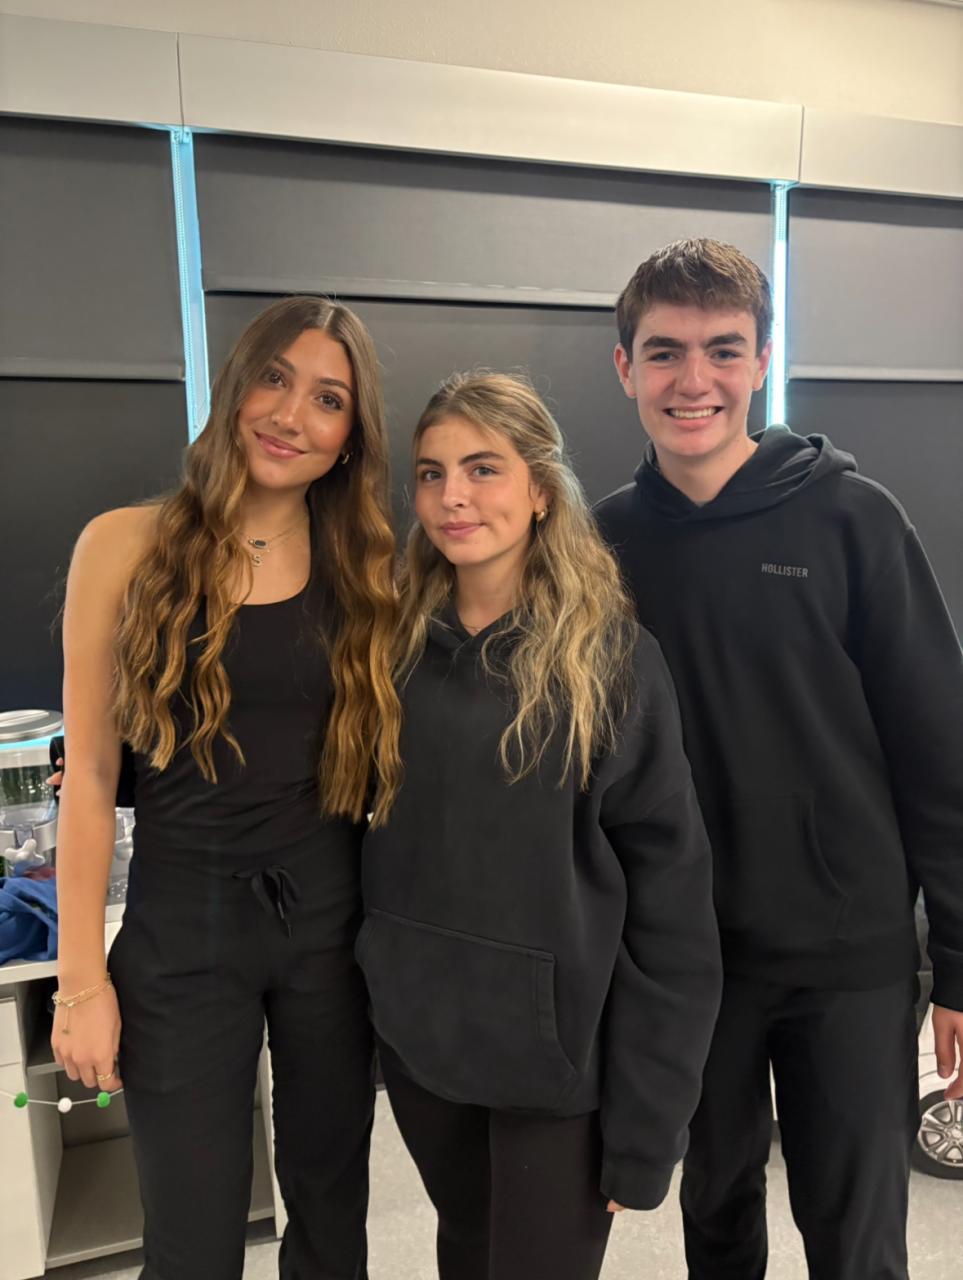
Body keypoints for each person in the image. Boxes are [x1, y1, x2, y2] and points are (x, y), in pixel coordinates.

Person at [595, 237, 963, 1280]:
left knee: (856, 1242)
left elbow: (939, 752)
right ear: (624, 367)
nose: (694, 379)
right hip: (684, 962)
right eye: (664, 352)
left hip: (847, 958)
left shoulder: (855, 520)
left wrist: (960, 962)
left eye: (723, 349)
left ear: (761, 361)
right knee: (714, 1222)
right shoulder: (600, 547)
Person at [52, 296, 401, 1280]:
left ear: (350, 436)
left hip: (329, 926)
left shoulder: (365, 565)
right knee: (193, 1238)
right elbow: (89, 779)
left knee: (331, 1221)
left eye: (327, 399)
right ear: (235, 384)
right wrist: (81, 984)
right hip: (182, 932)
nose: (291, 414)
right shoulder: (123, 545)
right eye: (275, 378)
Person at [357, 372, 723, 1280]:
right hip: (426, 1049)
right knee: (463, 1254)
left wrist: (648, 1127)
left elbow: (671, 911)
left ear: (540, 492)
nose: (453, 496)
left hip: (559, 1071)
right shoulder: (388, 649)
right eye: (432, 473)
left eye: (483, 468)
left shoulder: (612, 665)